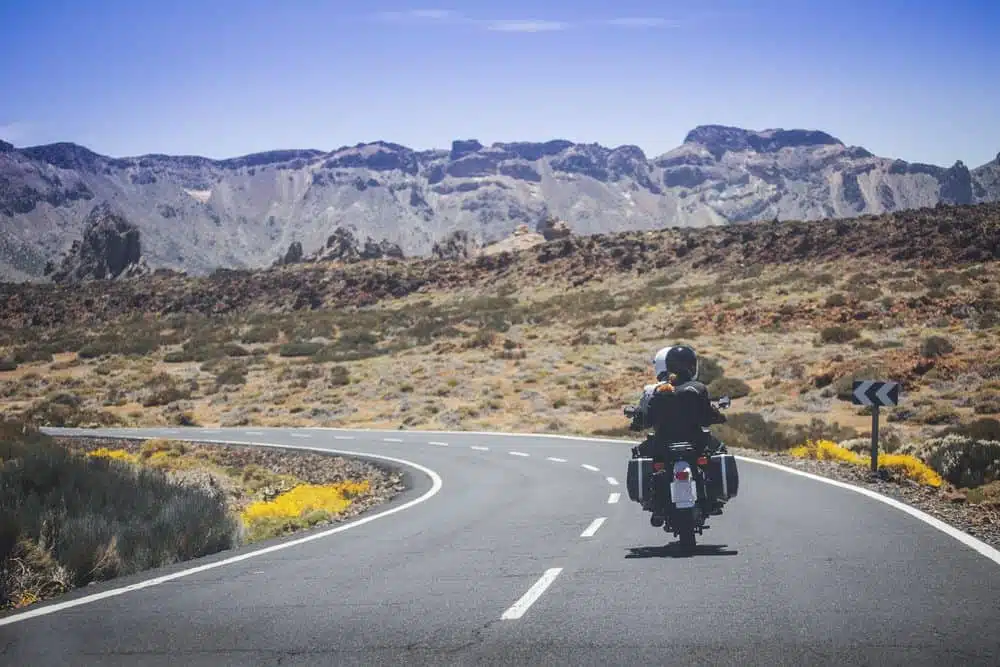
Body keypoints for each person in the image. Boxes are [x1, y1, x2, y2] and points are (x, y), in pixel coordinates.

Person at [628, 344, 728, 520]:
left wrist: (637, 422)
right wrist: (718, 416)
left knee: (640, 455)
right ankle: (715, 497)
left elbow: (647, 419)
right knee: (719, 450)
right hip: (696, 442)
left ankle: (652, 501)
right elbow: (707, 417)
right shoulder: (698, 388)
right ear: (692, 366)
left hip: (663, 444)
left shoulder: (659, 392)